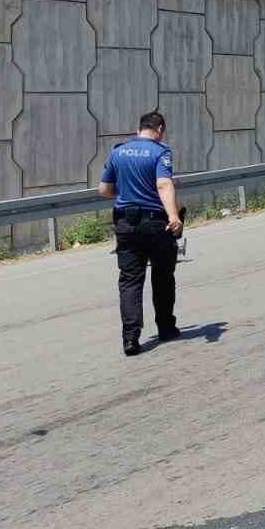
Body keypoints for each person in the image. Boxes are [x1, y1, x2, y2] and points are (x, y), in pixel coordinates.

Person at [98, 110, 183, 357]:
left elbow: (103, 189)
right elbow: (163, 184)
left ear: (139, 129)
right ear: (160, 130)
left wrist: (126, 192)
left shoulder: (118, 151)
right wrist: (174, 216)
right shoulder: (161, 151)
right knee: (163, 274)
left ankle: (130, 339)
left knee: (130, 280)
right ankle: (166, 328)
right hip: (155, 223)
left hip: (126, 223)